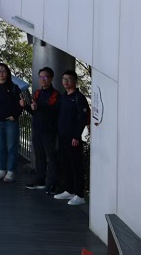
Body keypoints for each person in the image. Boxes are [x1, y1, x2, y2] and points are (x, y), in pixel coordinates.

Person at [53, 70, 89, 206]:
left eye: (69, 79)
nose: (66, 82)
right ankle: (70, 190)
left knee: (75, 165)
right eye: (64, 79)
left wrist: (76, 135)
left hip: (73, 138)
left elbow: (83, 118)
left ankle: (80, 194)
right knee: (65, 164)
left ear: (75, 81)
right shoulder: (63, 96)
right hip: (62, 136)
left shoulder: (79, 97)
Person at [23, 66, 60, 193]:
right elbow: (35, 112)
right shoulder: (37, 93)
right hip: (37, 129)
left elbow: (52, 112)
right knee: (39, 156)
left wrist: (37, 107)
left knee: (51, 157)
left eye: (45, 77)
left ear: (51, 78)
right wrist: (26, 106)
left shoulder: (55, 94)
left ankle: (53, 183)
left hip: (49, 130)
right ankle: (40, 180)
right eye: (40, 77)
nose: (43, 79)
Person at [0, 63, 22, 182]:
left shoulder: (14, 87)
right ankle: (1, 169)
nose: (1, 73)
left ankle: (10, 171)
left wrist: (15, 115)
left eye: (3, 71)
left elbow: (20, 103)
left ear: (7, 73)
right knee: (0, 147)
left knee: (11, 146)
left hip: (10, 122)